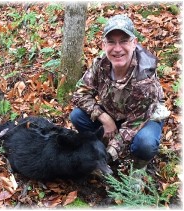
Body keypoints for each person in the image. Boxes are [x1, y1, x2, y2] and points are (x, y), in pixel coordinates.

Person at [69, 14, 170, 171]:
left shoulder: (145, 79)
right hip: (113, 113)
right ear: (104, 45)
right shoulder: (101, 64)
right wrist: (104, 118)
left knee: (145, 143)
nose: (117, 49)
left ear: (134, 43)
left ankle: (138, 167)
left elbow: (132, 125)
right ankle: (99, 144)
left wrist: (107, 156)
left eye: (123, 41)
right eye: (111, 42)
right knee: (77, 116)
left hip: (142, 120)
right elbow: (80, 94)